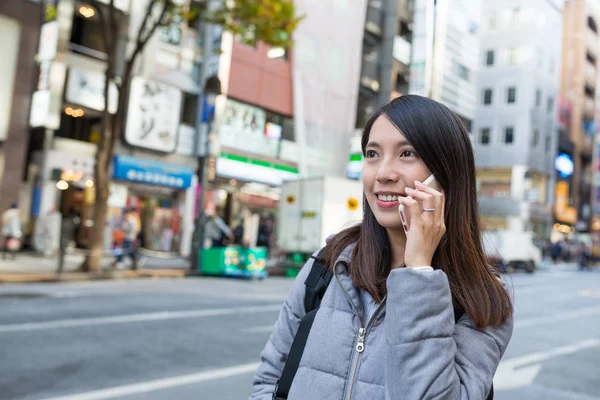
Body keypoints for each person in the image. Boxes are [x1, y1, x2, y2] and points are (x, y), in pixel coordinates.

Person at [250, 95, 514, 399]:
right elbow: (270, 379)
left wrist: (419, 273)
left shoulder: (484, 302)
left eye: (407, 153)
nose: (383, 172)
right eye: (372, 153)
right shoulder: (329, 264)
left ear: (447, 174)